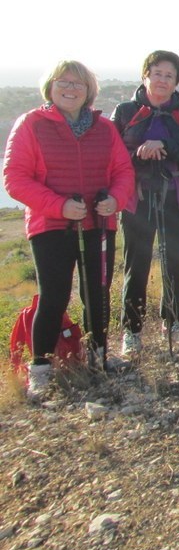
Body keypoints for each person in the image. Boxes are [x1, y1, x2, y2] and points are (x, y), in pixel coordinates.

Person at [3, 61, 134, 398]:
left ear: (88, 90)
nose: (71, 88)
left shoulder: (104, 128)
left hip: (99, 222)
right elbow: (15, 179)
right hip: (50, 225)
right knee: (54, 295)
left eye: (78, 83)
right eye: (64, 82)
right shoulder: (31, 124)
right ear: (51, 86)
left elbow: (123, 171)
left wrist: (115, 200)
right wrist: (58, 205)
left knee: (97, 293)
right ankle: (41, 369)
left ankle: (97, 357)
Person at [113, 51, 179, 356]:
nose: (163, 80)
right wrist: (138, 153)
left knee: (175, 260)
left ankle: (175, 320)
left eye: (169, 75)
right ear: (145, 76)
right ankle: (132, 330)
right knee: (136, 264)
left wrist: (165, 146)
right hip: (137, 197)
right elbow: (111, 158)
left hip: (174, 194)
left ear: (177, 81)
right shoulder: (126, 112)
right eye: (157, 73)